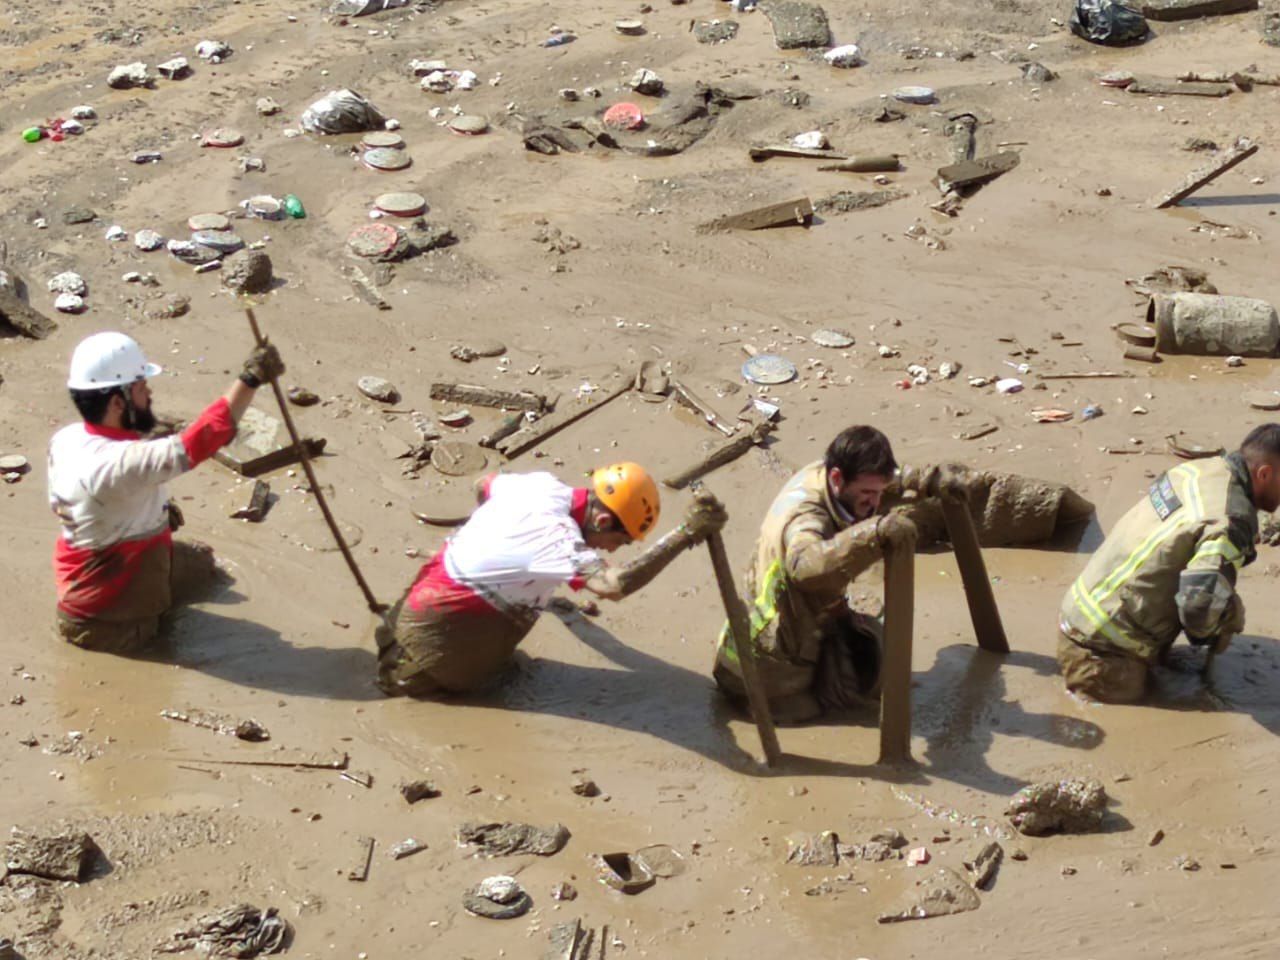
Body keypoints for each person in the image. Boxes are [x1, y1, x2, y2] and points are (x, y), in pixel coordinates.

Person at [376, 463, 727, 697]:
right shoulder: (557, 538)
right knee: (499, 683)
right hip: (430, 657)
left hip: (409, 613)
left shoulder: (541, 485)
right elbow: (613, 585)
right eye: (618, 541)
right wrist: (686, 534)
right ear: (602, 521)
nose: (611, 550)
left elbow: (483, 484)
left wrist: (488, 540)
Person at [712, 425, 973, 723]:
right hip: (761, 661)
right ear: (837, 478)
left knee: (874, 644)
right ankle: (772, 700)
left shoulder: (826, 474)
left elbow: (888, 481)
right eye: (867, 494)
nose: (875, 503)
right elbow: (805, 568)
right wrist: (872, 534)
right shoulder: (806, 518)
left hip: (773, 626)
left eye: (878, 493)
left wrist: (929, 480)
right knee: (828, 705)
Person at [49, 331, 284, 653]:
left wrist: (153, 511)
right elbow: (200, 440)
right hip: (106, 622)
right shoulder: (123, 464)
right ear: (117, 402)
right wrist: (251, 379)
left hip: (89, 575)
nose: (150, 393)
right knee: (166, 638)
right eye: (141, 388)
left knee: (204, 563)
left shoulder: (68, 438)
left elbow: (109, 493)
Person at [1057, 425, 1279, 702]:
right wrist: (1216, 629)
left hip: (1080, 612)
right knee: (1226, 608)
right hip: (1104, 655)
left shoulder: (1199, 470)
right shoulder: (1231, 520)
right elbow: (1199, 608)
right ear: (1264, 474)